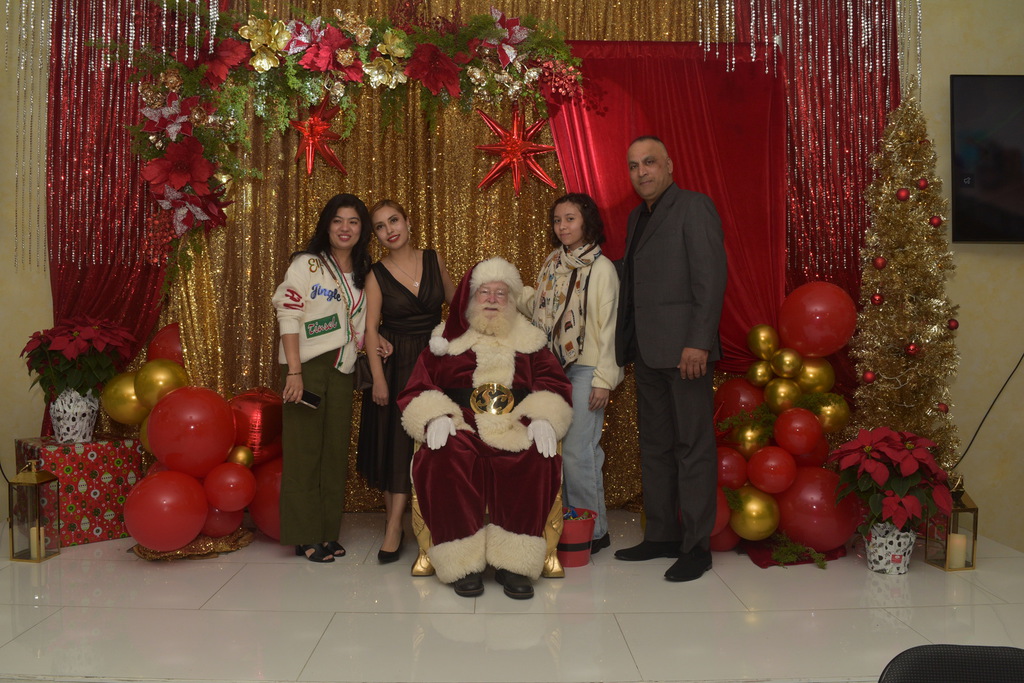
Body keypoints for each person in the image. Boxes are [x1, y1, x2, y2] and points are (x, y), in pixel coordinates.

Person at [398, 257, 573, 599]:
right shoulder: (446, 340)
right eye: (485, 293)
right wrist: (437, 416)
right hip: (462, 426)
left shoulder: (531, 341)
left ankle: (515, 563)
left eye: (501, 293)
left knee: (536, 456)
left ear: (511, 300)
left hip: (514, 424)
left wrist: (542, 417)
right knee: (443, 455)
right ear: (471, 298)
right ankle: (463, 563)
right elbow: (418, 386)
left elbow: (554, 383)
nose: (492, 299)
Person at [614, 136, 728, 582]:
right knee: (656, 446)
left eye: (649, 162)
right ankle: (661, 535)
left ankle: (696, 547)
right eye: (633, 166)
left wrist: (699, 342)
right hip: (647, 352)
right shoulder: (635, 218)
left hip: (686, 354)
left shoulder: (694, 207)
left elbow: (710, 278)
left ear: (669, 166)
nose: (641, 172)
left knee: (692, 448)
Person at [272, 193, 374, 563]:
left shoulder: (364, 272)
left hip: (343, 370)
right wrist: (294, 371)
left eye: (353, 222)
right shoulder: (308, 264)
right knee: (303, 454)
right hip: (308, 366)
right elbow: (288, 314)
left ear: (362, 229)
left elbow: (360, 322)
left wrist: (376, 343)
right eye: (338, 220)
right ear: (327, 226)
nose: (345, 228)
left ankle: (328, 531)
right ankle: (304, 535)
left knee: (334, 454)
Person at [520, 193, 623, 554]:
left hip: (586, 368)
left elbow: (609, 327)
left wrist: (603, 379)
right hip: (551, 368)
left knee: (580, 452)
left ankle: (594, 532)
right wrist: (508, 290)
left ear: (586, 222)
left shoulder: (601, 268)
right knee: (555, 450)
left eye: (570, 219)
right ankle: (568, 524)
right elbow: (539, 308)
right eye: (557, 220)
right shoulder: (553, 262)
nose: (562, 226)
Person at [357, 199, 456, 564]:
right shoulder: (375, 274)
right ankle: (394, 526)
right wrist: (378, 380)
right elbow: (371, 329)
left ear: (408, 221)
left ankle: (436, 519)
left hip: (434, 362)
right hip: (396, 365)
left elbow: (457, 306)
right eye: (381, 227)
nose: (390, 230)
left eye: (394, 220)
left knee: (437, 441)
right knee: (396, 445)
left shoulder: (434, 259)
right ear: (376, 236)